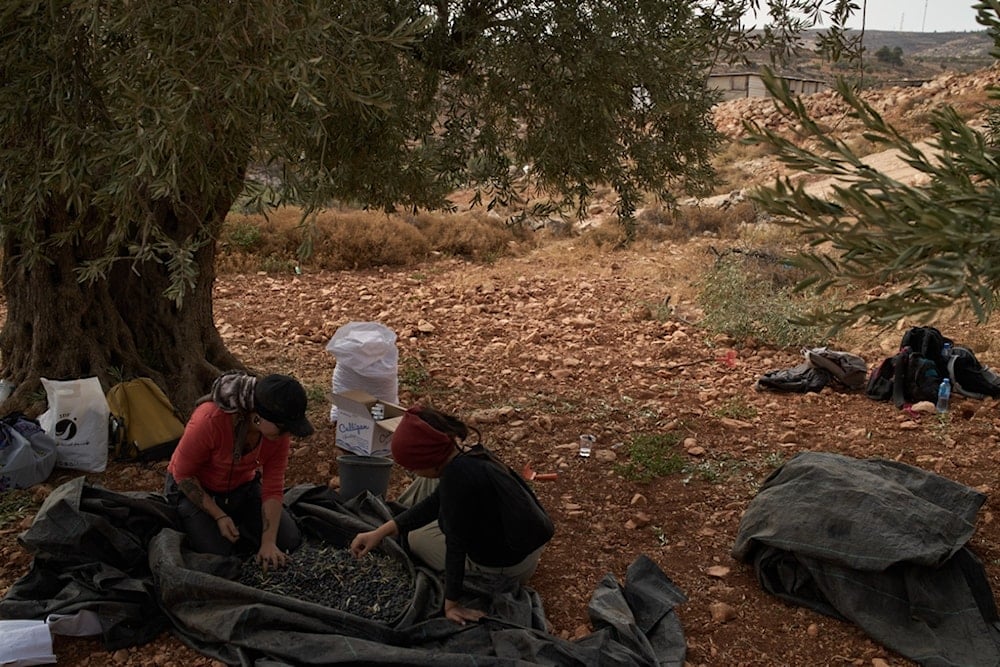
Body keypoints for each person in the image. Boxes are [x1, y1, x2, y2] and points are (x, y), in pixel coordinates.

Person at [350, 405, 555, 624]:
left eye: (414, 467)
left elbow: (456, 547)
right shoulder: (467, 453)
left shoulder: (457, 481)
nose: (413, 473)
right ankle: (400, 522)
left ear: (428, 461)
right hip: (525, 547)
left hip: (507, 569)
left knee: (416, 537)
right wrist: (380, 533)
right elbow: (435, 502)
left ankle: (475, 579)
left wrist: (452, 605)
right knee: (428, 488)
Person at [166, 371, 314, 569]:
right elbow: (183, 476)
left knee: (288, 540)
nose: (287, 434)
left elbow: (273, 486)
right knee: (218, 556)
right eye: (283, 427)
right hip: (195, 489)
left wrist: (268, 542)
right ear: (258, 417)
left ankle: (241, 527)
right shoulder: (209, 420)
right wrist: (219, 515)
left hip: (240, 487)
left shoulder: (276, 436)